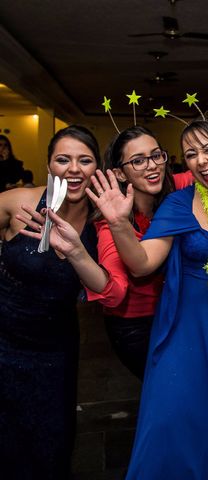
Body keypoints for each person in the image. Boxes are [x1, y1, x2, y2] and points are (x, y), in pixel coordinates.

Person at [89, 112, 208, 479]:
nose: (201, 160)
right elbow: (141, 263)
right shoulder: (178, 204)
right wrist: (121, 223)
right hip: (186, 328)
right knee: (176, 423)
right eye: (190, 154)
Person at [22, 126, 193, 380]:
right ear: (119, 174)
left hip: (173, 316)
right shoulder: (108, 223)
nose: (152, 166)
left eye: (156, 155)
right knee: (173, 388)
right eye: (138, 161)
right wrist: (87, 246)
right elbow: (114, 294)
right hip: (136, 327)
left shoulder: (173, 189)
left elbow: (203, 169)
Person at [0, 125, 99, 479]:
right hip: (4, 341)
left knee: (51, 441)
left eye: (84, 160)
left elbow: (106, 284)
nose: (73, 168)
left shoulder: (101, 221)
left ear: (96, 170)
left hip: (55, 350)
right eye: (63, 159)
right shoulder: (19, 202)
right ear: (48, 166)